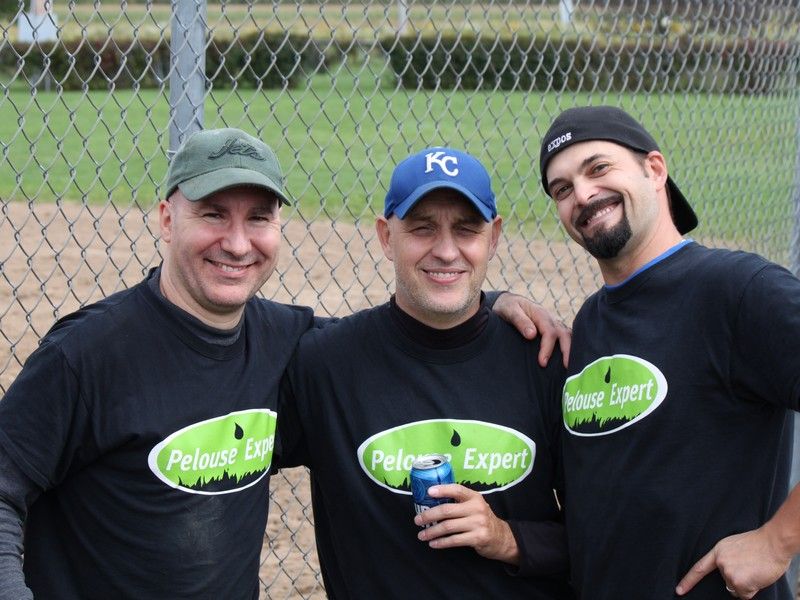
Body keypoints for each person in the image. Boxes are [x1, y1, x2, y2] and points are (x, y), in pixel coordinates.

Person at [0, 130, 568, 599]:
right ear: (168, 220)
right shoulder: (88, 353)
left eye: (259, 218)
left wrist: (490, 304)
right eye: (213, 214)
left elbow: (414, 335)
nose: (237, 243)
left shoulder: (290, 343)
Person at [277, 147, 575, 599]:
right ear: (385, 236)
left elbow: (605, 536)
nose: (446, 251)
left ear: (493, 237)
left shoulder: (545, 360)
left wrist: (506, 538)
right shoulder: (325, 365)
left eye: (467, 229)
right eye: (422, 228)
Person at [538, 105, 800, 600]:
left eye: (599, 168)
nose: (583, 195)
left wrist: (776, 542)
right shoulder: (590, 321)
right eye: (562, 189)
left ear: (654, 169)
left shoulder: (737, 289)